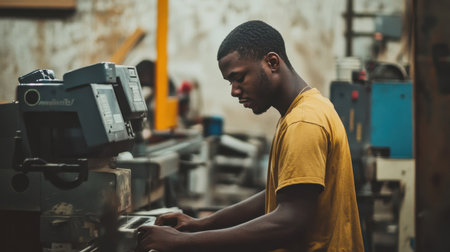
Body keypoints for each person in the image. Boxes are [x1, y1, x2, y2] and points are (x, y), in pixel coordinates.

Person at [136, 20, 364, 252]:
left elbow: (289, 221)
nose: (234, 91)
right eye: (230, 82)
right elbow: (281, 192)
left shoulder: (303, 122)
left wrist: (181, 242)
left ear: (272, 62)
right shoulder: (310, 107)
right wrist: (200, 224)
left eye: (239, 78)